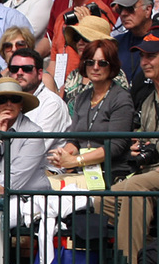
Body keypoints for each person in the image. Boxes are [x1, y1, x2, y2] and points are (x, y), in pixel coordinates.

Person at [100, 32, 159, 264]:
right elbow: (143, 135)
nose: (145, 61)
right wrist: (138, 144)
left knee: (133, 189)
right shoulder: (147, 97)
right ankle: (148, 255)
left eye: (152, 56)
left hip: (151, 173)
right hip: (148, 172)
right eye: (142, 56)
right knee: (100, 202)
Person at [53, 38, 133, 179]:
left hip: (112, 173)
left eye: (102, 63)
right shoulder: (82, 97)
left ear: (112, 66)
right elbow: (75, 140)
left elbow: (115, 146)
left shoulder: (121, 98)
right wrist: (63, 156)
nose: (95, 67)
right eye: (90, 62)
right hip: (83, 171)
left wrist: (76, 160)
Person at [0, 77, 45, 197]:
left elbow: (7, 185)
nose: (8, 104)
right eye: (1, 99)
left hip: (29, 201)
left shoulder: (34, 133)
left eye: (15, 99)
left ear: (21, 104)